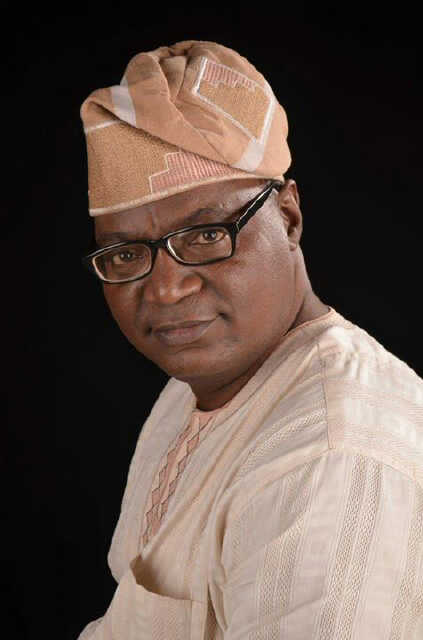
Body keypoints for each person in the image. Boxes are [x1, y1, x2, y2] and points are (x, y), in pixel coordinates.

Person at [77, 40, 423, 639]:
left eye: (207, 234)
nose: (166, 289)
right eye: (127, 253)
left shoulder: (327, 453)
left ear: (288, 218)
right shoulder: (198, 389)